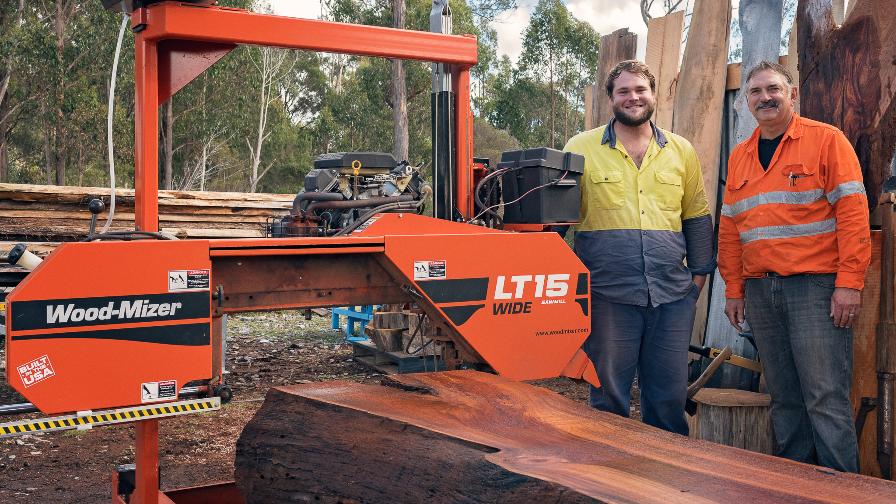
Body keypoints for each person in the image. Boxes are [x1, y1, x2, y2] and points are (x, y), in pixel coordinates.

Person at [718, 61, 870, 472]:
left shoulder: (826, 141)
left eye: (773, 89)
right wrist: (734, 288)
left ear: (792, 94)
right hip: (761, 293)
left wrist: (849, 283)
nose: (765, 98)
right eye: (756, 92)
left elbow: (854, 215)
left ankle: (843, 493)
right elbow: (730, 229)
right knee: (784, 397)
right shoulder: (741, 156)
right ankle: (794, 487)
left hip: (816, 290)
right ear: (746, 101)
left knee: (825, 398)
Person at [563, 60, 715, 435]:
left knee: (667, 400)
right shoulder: (580, 148)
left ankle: (665, 483)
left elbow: (696, 216)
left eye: (640, 90)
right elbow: (555, 221)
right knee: (609, 398)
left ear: (653, 94)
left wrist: (696, 282)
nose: (633, 97)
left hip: (671, 297)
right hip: (606, 294)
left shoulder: (681, 150)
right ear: (610, 99)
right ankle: (609, 482)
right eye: (624, 91)